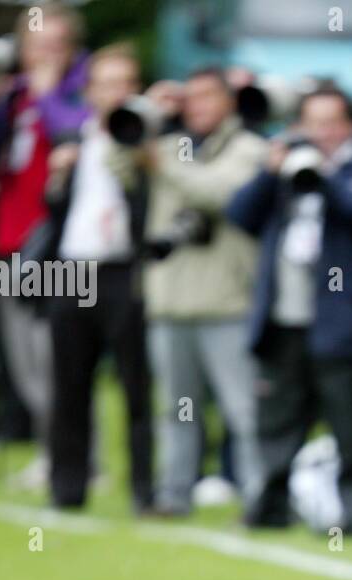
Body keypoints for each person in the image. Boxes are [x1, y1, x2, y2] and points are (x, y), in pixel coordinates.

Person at [230, 84, 352, 533]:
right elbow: (240, 216)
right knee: (278, 422)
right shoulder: (286, 170)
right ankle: (268, 508)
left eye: (331, 122)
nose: (321, 132)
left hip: (342, 324)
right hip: (284, 319)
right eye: (313, 122)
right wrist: (271, 174)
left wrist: (328, 182)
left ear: (349, 126)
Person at [129, 67, 266, 517]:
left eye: (208, 96)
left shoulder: (249, 149)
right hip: (171, 300)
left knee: (242, 410)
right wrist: (146, 110)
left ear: (229, 101)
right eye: (191, 97)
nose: (198, 106)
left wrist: (163, 163)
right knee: (177, 411)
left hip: (225, 301)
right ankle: (174, 494)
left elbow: (218, 193)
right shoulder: (167, 145)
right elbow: (113, 158)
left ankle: (257, 496)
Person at [0, 1, 91, 491]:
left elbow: (73, 132)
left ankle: (73, 456)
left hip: (55, 245)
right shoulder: (15, 97)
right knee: (25, 360)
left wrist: (46, 95)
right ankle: (53, 452)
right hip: (9, 244)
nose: (44, 57)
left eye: (55, 46)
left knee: (57, 357)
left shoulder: (77, 94)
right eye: (36, 47)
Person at [44, 44, 153, 512]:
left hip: (123, 270)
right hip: (73, 268)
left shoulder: (147, 141)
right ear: (89, 92)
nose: (115, 93)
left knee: (135, 384)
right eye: (107, 84)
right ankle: (67, 487)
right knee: (69, 384)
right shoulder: (74, 138)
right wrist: (57, 178)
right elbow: (55, 212)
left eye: (125, 83)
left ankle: (143, 490)